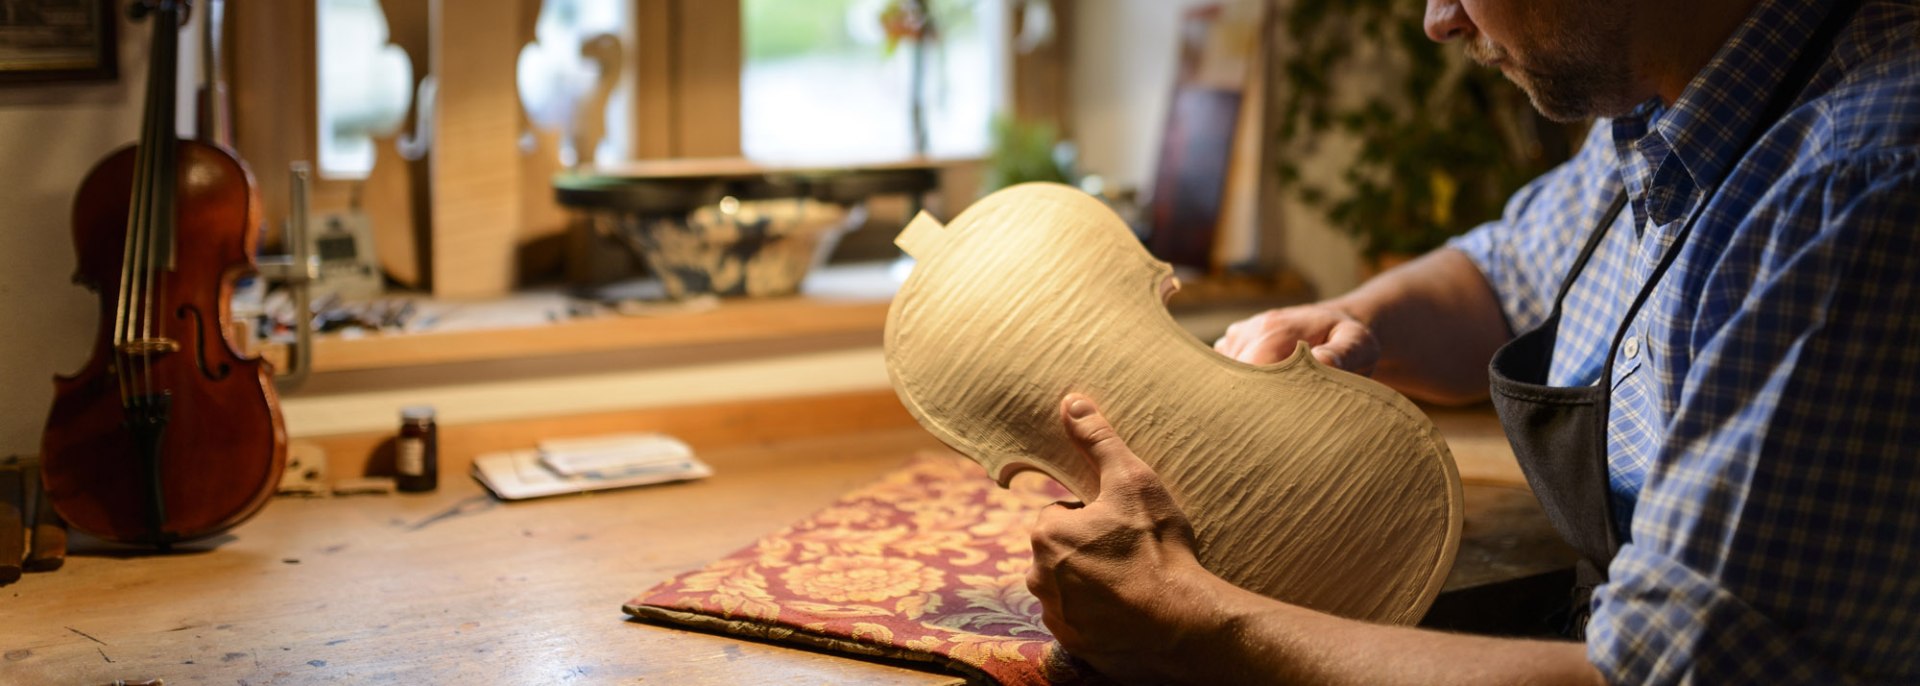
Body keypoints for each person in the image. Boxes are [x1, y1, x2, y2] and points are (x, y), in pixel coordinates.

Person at [1025, 0, 1920, 683]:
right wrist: (1355, 318)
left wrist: (1187, 615)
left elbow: (1652, 675)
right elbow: (1503, 275)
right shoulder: (1671, 102)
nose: (1437, 19)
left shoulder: (1859, 181)